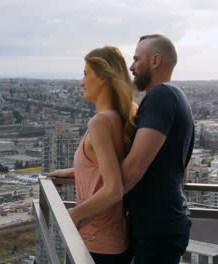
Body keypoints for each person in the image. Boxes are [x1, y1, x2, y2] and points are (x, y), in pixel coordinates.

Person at [47, 46, 137, 263]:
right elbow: (108, 170)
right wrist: (70, 172)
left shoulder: (100, 123)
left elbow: (113, 189)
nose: (82, 82)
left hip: (97, 243)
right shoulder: (120, 119)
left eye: (86, 74)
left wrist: (74, 216)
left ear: (104, 78)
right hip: (116, 243)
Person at [121, 34, 194, 264]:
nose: (132, 67)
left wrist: (96, 203)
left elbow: (135, 167)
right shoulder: (178, 97)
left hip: (157, 228)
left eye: (136, 59)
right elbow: (181, 170)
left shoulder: (160, 96)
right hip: (165, 224)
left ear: (154, 61)